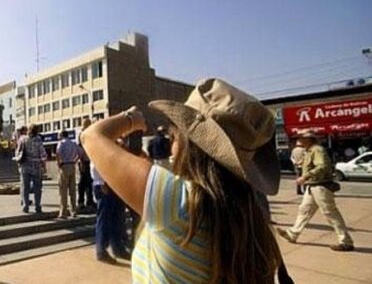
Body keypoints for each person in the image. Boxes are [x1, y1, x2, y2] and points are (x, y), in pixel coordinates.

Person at [81, 78, 286, 283]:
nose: (172, 146)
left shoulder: (177, 202)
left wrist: (131, 118)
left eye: (174, 137)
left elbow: (91, 136)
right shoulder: (252, 212)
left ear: (189, 145)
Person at [277, 129, 355, 252]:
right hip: (312, 187)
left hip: (320, 186)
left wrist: (305, 176)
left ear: (308, 139)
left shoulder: (317, 149)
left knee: (330, 213)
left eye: (301, 137)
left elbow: (322, 166)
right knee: (304, 211)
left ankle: (345, 241)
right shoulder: (309, 151)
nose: (299, 140)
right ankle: (293, 234)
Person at [92, 156, 130, 264]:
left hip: (115, 183)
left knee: (117, 217)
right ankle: (101, 250)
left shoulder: (116, 144)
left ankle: (118, 248)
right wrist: (101, 182)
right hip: (104, 185)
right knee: (104, 219)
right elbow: (95, 163)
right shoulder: (99, 143)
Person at [18, 124, 47, 213]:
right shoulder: (38, 140)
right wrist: (44, 165)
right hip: (36, 166)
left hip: (25, 166)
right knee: (37, 187)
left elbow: (18, 152)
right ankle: (37, 206)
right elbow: (43, 155)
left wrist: (19, 163)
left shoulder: (23, 139)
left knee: (25, 187)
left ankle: (25, 206)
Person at [56, 130, 80, 219]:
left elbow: (58, 153)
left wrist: (59, 163)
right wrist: (75, 160)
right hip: (72, 165)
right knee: (72, 190)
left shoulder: (61, 143)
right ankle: (73, 211)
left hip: (64, 165)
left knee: (63, 190)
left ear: (62, 135)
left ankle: (63, 212)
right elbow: (80, 153)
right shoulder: (73, 143)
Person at [77, 118, 96, 212]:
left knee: (88, 182)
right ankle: (83, 201)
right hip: (84, 161)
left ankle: (88, 200)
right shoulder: (83, 134)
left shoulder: (87, 133)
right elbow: (80, 149)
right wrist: (81, 161)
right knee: (84, 182)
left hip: (88, 160)